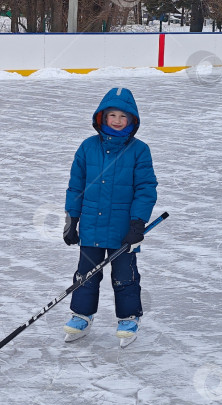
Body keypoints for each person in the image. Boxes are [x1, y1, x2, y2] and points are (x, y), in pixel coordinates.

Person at [63, 87, 158, 345]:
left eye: (123, 116)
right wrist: (72, 219)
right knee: (86, 275)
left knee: (125, 276)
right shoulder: (87, 148)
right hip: (92, 226)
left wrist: (138, 223)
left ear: (132, 120)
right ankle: (82, 316)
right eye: (112, 115)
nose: (117, 120)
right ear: (102, 117)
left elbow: (145, 189)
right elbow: (76, 186)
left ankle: (129, 317)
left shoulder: (139, 150)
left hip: (123, 229)